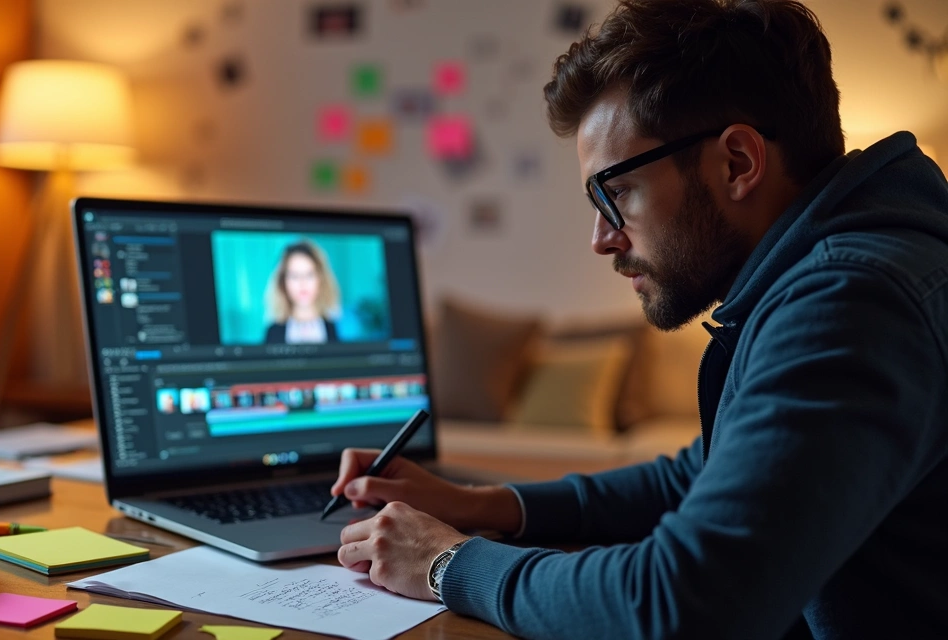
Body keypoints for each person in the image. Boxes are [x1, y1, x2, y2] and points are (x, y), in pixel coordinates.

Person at [331, 1, 948, 638]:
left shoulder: (853, 301)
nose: (601, 238)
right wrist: (477, 504)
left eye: (616, 192)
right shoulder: (835, 276)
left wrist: (445, 561)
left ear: (737, 162)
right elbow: (696, 475)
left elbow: (682, 602)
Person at [264, 239, 341, 344]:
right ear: (282, 282)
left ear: (321, 279)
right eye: (294, 276)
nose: (302, 283)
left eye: (309, 275)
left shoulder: (334, 328)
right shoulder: (273, 332)